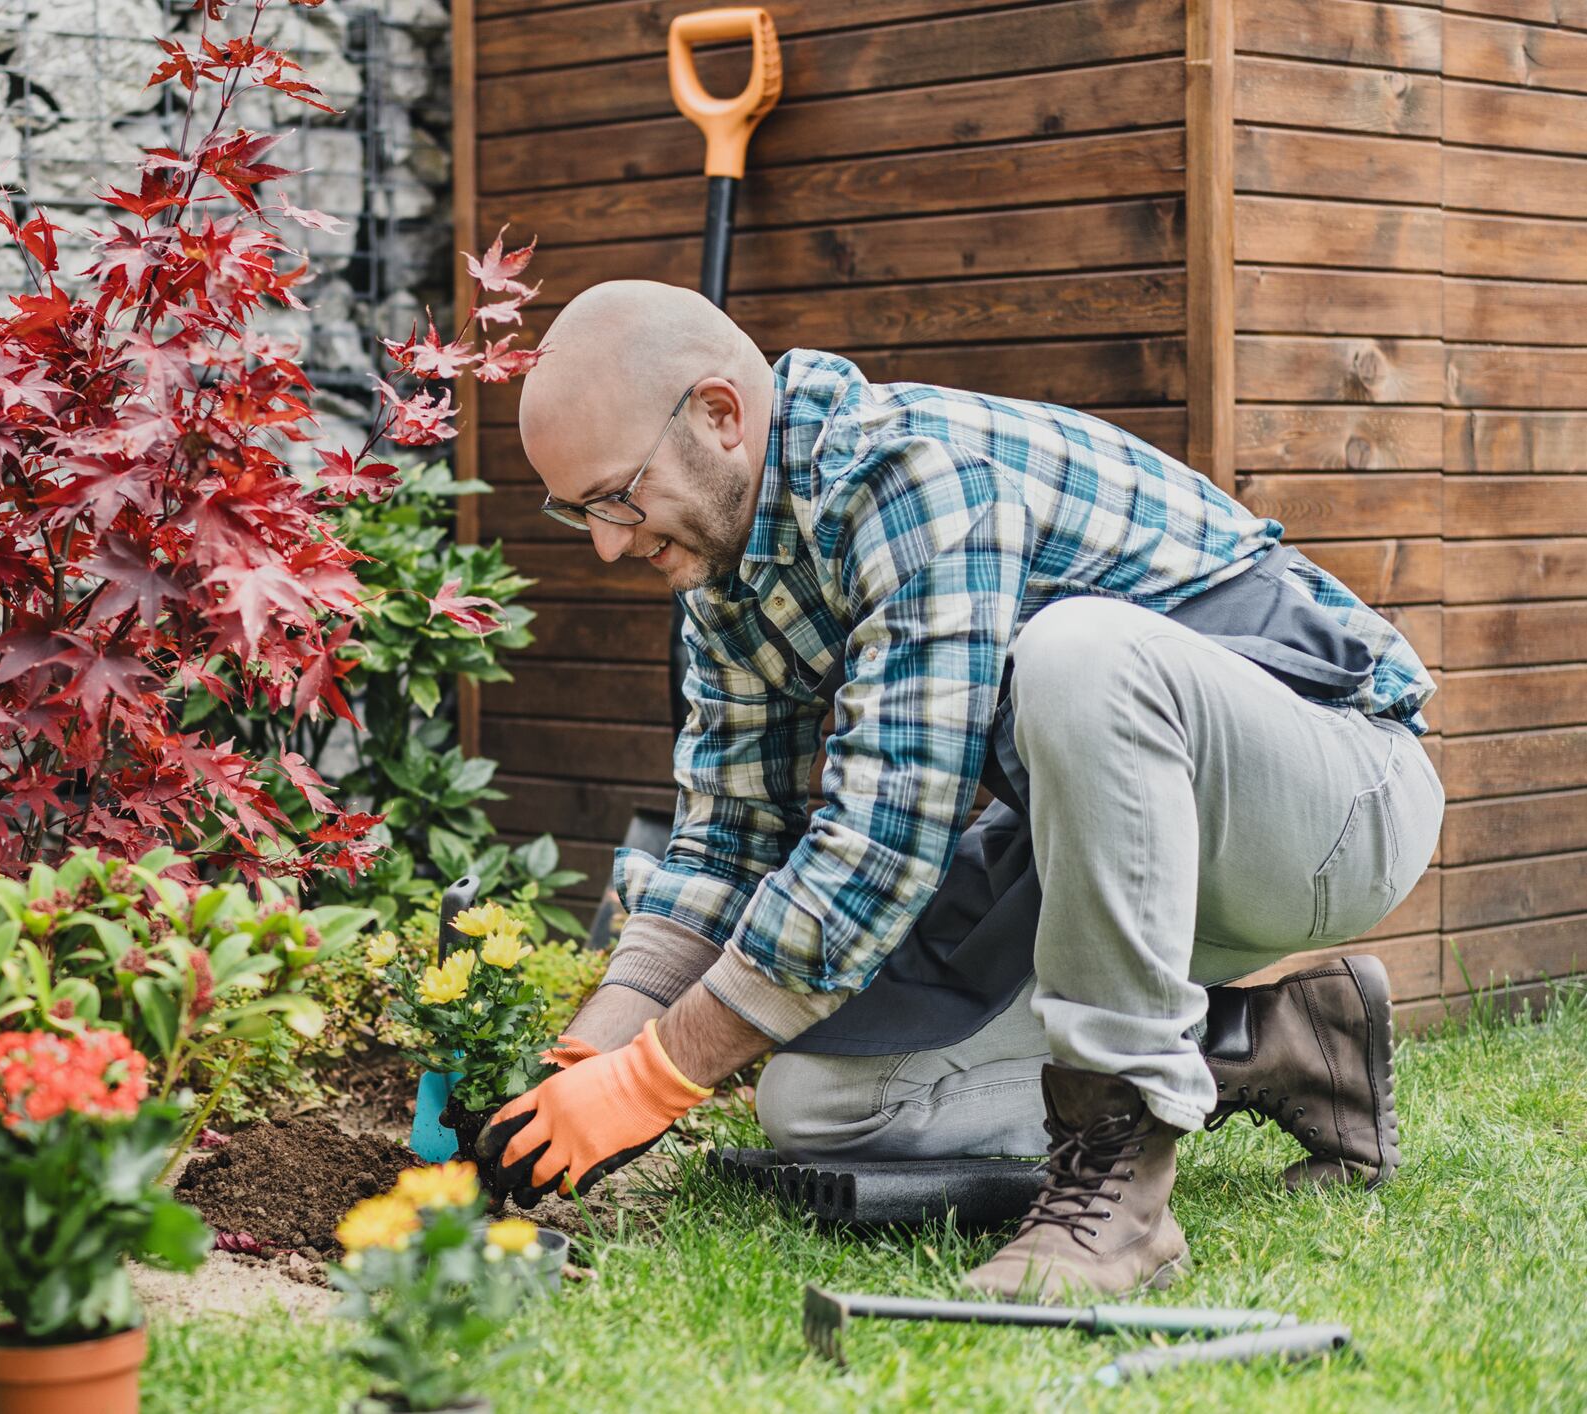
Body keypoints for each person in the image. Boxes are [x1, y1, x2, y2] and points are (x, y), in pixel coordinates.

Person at [477, 280, 1442, 1299]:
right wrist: (591, 1053)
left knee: (1081, 654)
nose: (609, 543)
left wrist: (655, 1077)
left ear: (721, 416)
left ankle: (1120, 1190)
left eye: (616, 497)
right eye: (578, 509)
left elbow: (880, 847)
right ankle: (1275, 1041)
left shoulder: (910, 473)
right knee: (817, 1102)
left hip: (1337, 801)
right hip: (1111, 858)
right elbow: (727, 844)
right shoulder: (725, 574)